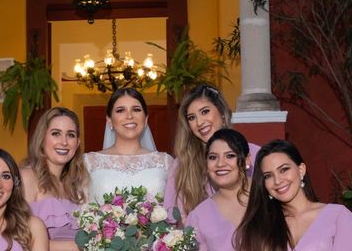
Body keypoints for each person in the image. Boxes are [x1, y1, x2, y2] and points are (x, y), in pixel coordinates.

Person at [235, 139, 352, 251]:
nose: (277, 181)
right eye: (268, 176)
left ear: (301, 170)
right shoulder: (260, 227)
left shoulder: (337, 217)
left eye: (284, 169)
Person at [164, 84, 260, 222]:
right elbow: (170, 218)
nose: (199, 122)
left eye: (205, 112)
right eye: (192, 118)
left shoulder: (255, 154)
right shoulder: (183, 164)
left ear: (222, 112)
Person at [84, 87, 173, 203]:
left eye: (136, 109)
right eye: (120, 110)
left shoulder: (165, 162)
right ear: (109, 120)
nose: (129, 116)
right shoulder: (88, 163)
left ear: (146, 119)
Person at [21, 107, 89, 251]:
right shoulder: (27, 177)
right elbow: (20, 239)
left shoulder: (74, 186)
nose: (64, 142)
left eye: (70, 135)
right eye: (56, 133)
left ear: (77, 143)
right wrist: (81, 246)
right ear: (42, 138)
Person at [185, 129, 251, 251]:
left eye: (230, 156)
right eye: (213, 157)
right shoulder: (200, 216)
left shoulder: (268, 195)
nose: (220, 164)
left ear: (247, 160)